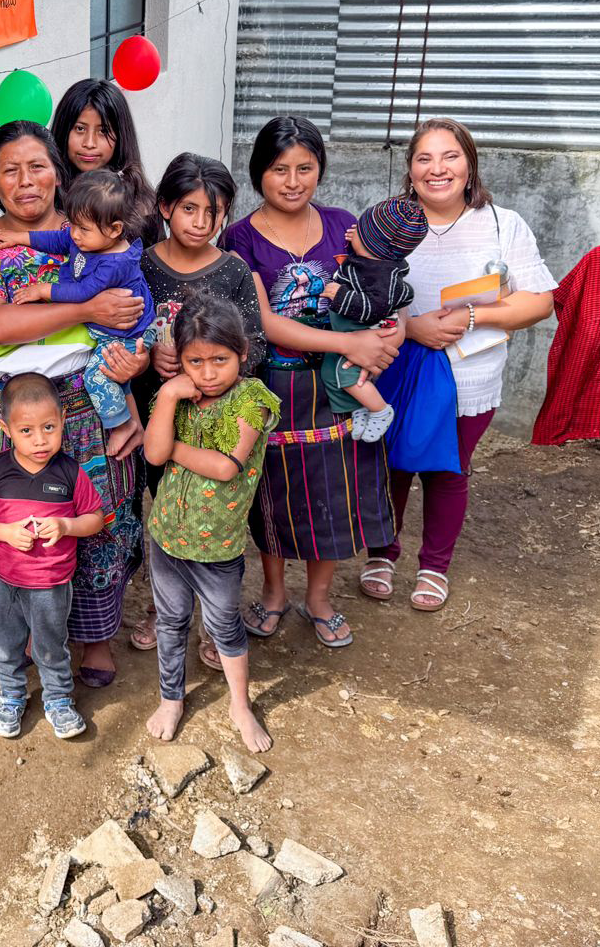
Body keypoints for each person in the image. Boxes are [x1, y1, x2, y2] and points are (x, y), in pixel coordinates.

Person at [0, 120, 151, 687]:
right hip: (14, 416)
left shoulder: (93, 230)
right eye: (9, 171)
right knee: (28, 520)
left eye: (37, 166)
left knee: (97, 517)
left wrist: (132, 359)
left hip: (91, 402)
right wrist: (85, 311)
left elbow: (132, 310)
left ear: (58, 174)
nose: (25, 181)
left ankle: (93, 636)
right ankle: (35, 637)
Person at [358, 117, 555, 611]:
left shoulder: (502, 225)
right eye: (424, 158)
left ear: (470, 165)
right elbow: (364, 288)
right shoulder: (388, 225)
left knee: (449, 472)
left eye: (450, 157)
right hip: (398, 369)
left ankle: (434, 566)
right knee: (392, 466)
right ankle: (383, 553)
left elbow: (539, 302)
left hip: (470, 376)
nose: (437, 169)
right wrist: (414, 328)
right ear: (410, 170)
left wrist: (474, 314)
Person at [222, 116, 402, 649]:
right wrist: (348, 343)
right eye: (280, 169)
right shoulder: (240, 238)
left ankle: (319, 598)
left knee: (334, 492)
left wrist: (386, 335)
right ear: (260, 173)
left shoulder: (346, 225)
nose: (294, 180)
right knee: (274, 495)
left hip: (339, 391)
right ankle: (275, 592)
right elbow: (264, 321)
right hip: (277, 385)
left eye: (305, 168)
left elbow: (378, 291)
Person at [130, 152, 263, 666]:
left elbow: (255, 344)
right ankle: (164, 609)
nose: (201, 222)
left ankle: (215, 620)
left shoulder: (233, 271)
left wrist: (206, 375)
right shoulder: (141, 264)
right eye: (189, 208)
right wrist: (149, 354)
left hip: (216, 425)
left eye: (214, 212)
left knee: (215, 513)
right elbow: (120, 329)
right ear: (165, 206)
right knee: (162, 507)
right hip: (156, 414)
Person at [142, 296, 279, 752]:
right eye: (194, 361)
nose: (207, 372)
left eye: (220, 359)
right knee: (171, 621)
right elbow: (150, 454)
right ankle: (171, 698)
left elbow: (225, 466)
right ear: (179, 360)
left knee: (223, 625)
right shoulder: (178, 394)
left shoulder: (252, 400)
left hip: (217, 546)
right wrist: (165, 395)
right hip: (166, 535)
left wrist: (173, 450)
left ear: (242, 351)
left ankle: (240, 705)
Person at [0, 372, 105, 741]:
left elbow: (95, 518)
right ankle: (10, 696)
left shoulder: (70, 473)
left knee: (50, 643)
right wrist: (5, 532)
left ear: (62, 421)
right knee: (6, 642)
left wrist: (65, 526)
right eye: (26, 431)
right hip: (4, 580)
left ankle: (58, 700)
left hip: (51, 583)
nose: (40, 440)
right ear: (5, 428)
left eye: (48, 427)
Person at [0, 169, 156, 456]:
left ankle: (122, 426)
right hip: (111, 331)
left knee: (98, 376)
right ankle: (127, 420)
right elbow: (57, 239)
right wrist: (21, 237)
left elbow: (83, 294)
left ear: (115, 229)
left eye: (83, 229)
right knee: (117, 376)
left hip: (127, 333)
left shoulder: (114, 262)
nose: (75, 234)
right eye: (74, 225)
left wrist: (43, 290)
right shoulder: (87, 237)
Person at [320, 197, 428, 443]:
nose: (353, 228)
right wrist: (356, 240)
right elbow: (362, 253)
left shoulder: (382, 276)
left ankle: (380, 410)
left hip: (364, 328)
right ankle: (360, 408)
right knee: (331, 371)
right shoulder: (372, 259)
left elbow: (373, 308)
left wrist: (340, 296)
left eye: (359, 228)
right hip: (351, 330)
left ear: (370, 244)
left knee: (347, 375)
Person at [51, 78, 164, 246]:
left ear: (121, 136)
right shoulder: (46, 197)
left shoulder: (142, 209)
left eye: (103, 131)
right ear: (63, 131)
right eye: (80, 129)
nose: (89, 143)